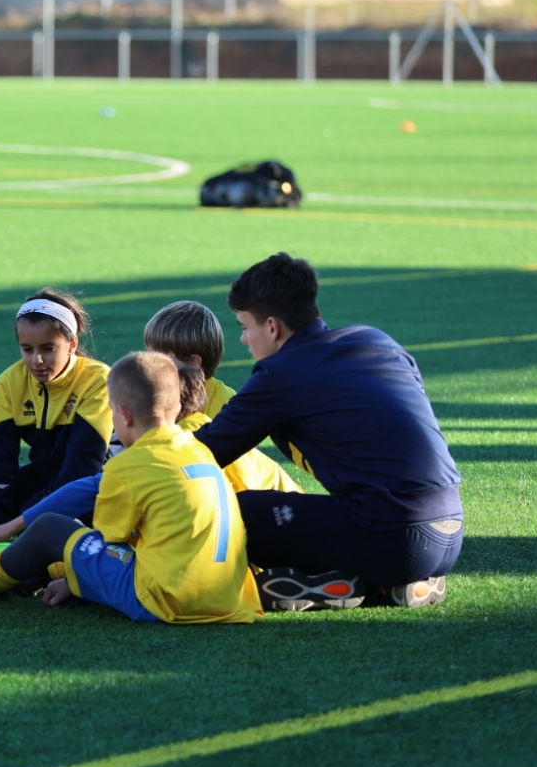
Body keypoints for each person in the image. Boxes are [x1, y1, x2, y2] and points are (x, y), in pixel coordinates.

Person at [196, 253, 463, 611]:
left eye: (245, 326)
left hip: (394, 536)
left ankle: (341, 583)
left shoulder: (280, 373)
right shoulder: (378, 340)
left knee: (230, 511)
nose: (243, 339)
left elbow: (203, 453)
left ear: (272, 327)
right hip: (450, 531)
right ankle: (394, 583)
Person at [0, 351, 260, 625]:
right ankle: (26, 577)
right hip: (229, 599)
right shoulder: (198, 448)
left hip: (167, 601)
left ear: (123, 415)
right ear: (176, 408)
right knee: (71, 546)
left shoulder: (129, 465)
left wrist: (77, 580)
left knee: (52, 530)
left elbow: (112, 541)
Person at [0, 288, 111, 527]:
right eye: (27, 349)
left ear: (71, 344)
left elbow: (83, 466)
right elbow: (0, 459)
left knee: (39, 520)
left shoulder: (97, 380)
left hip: (96, 478)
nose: (37, 360)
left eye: (48, 349)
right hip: (45, 473)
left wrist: (24, 519)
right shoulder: (10, 381)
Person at [143, 300, 303, 494]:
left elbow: (223, 483)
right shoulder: (162, 396)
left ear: (193, 363)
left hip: (268, 500)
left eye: (157, 356)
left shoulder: (224, 408)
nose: (147, 363)